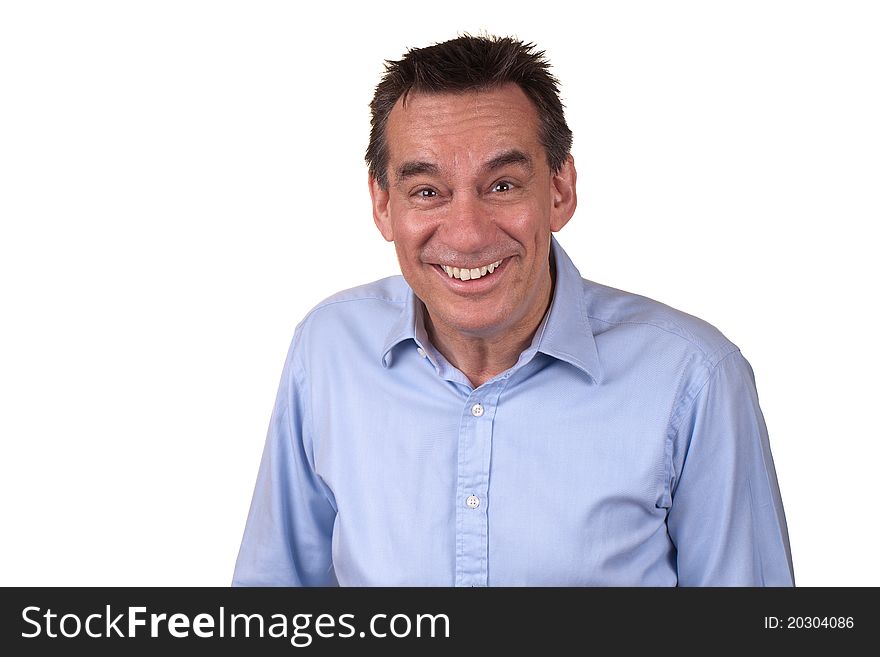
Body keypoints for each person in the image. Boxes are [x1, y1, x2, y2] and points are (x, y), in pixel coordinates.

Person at [232, 35, 794, 586]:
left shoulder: (693, 379)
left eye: (501, 185)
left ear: (559, 189)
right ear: (383, 205)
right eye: (427, 191)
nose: (468, 234)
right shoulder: (328, 349)